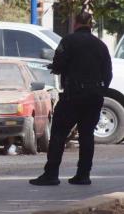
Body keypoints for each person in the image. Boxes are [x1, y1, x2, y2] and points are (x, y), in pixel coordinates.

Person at [29, 11, 112, 186]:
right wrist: (100, 90)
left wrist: (57, 68)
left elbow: (59, 63)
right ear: (91, 25)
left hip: (73, 96)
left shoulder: (68, 41)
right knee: (87, 135)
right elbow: (108, 73)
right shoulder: (101, 45)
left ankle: (51, 174)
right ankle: (83, 175)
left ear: (76, 23)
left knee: (58, 133)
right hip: (94, 96)